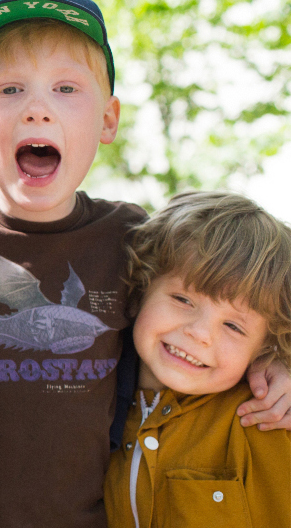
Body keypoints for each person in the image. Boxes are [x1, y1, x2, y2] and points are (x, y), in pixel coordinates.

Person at [0, 0, 289, 527]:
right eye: (10, 90)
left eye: (65, 89)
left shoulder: (129, 235)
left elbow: (221, 295)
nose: (37, 109)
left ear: (108, 120)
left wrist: (276, 358)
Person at [105, 191, 291, 528]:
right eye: (182, 299)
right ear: (140, 292)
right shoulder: (94, 405)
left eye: (234, 326)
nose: (201, 333)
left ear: (264, 349)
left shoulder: (268, 421)